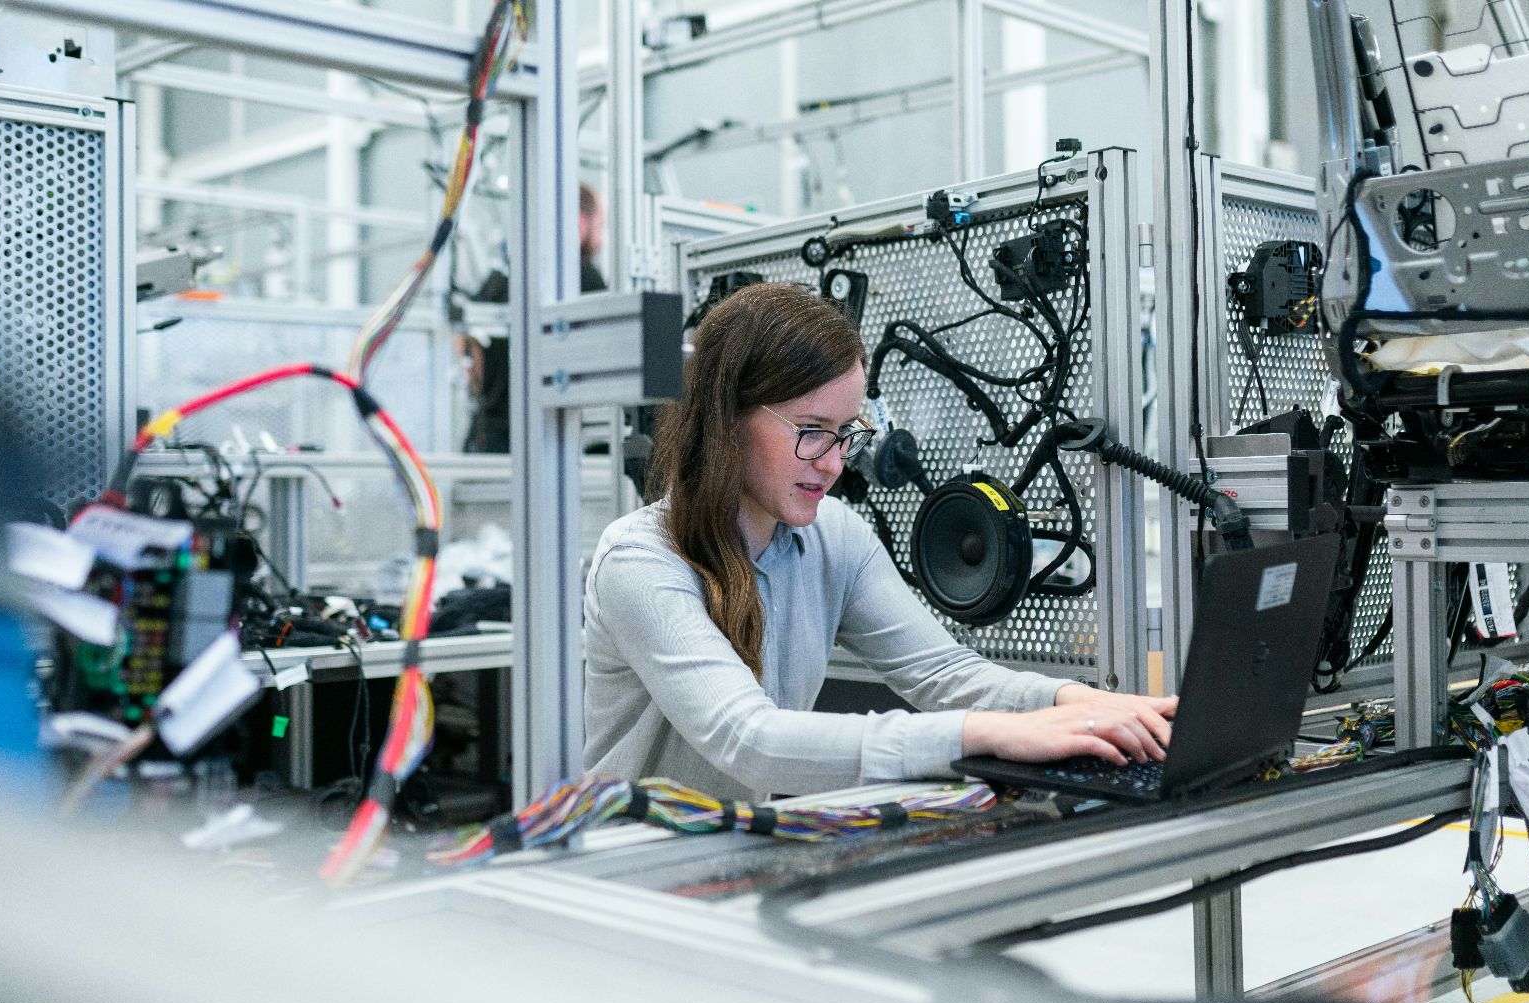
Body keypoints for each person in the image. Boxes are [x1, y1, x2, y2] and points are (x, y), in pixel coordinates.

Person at [582, 282, 1178, 800]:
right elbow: (750, 740)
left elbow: (945, 674)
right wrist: (986, 734)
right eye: (812, 432)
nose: (835, 463)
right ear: (726, 419)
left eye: (846, 434)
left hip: (734, 851)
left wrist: (1076, 703)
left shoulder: (833, 537)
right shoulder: (641, 560)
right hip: (634, 874)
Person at [460, 183, 608, 454]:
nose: (601, 235)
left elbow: (468, 349)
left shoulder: (503, 275)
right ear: (579, 220)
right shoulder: (583, 277)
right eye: (601, 223)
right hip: (546, 434)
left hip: (487, 434)